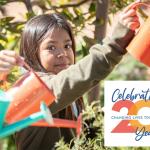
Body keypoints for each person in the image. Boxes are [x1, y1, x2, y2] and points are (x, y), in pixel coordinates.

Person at [0, 1, 140, 150]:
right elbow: (72, 79)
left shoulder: (71, 97)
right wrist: (115, 44)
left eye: (67, 46)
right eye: (51, 47)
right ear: (32, 53)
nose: (63, 54)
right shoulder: (33, 91)